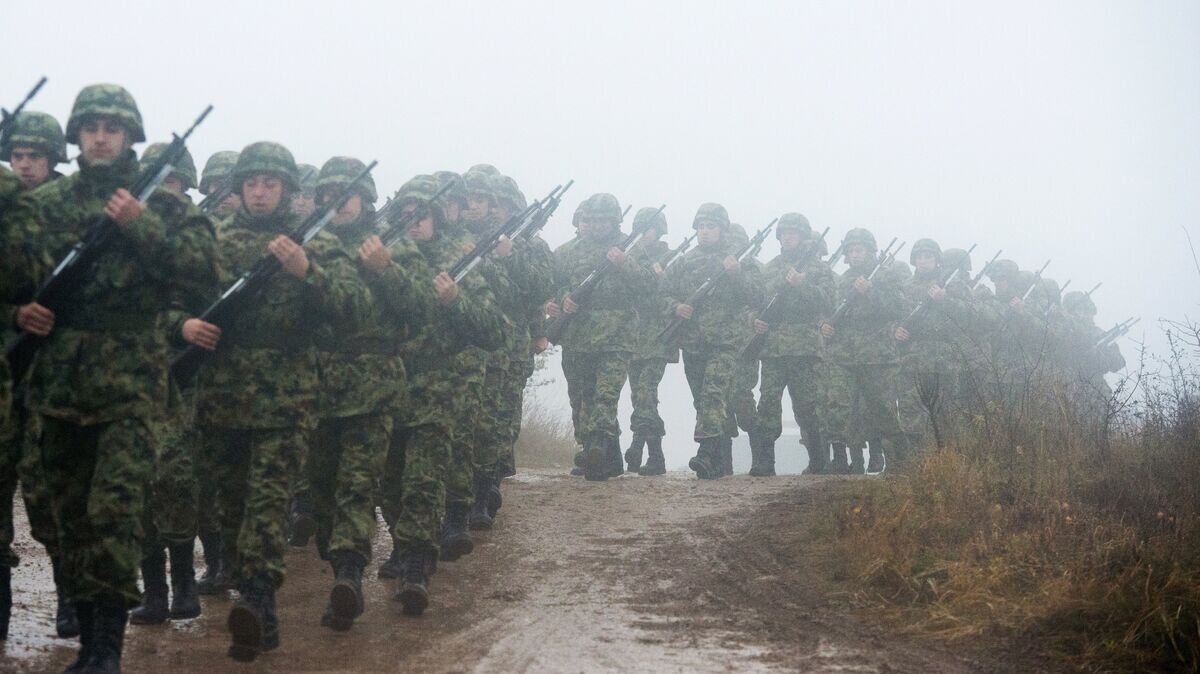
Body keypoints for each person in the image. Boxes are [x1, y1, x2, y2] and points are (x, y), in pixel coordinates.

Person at [17, 84, 217, 671]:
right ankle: (86, 637)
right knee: (69, 516)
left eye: (113, 127)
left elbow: (206, 271)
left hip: (131, 387)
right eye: (91, 127)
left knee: (115, 512)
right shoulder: (47, 203)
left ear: (130, 135)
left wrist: (141, 225)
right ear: (76, 135)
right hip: (58, 384)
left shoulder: (164, 207)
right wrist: (20, 312)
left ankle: (105, 649)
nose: (101, 137)